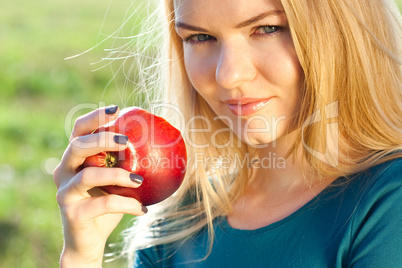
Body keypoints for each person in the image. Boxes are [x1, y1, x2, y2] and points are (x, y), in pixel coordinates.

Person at [54, 0, 402, 267]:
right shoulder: (180, 220)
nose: (227, 76)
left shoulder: (387, 204)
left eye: (266, 28)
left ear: (341, 28)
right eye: (200, 37)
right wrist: (82, 255)